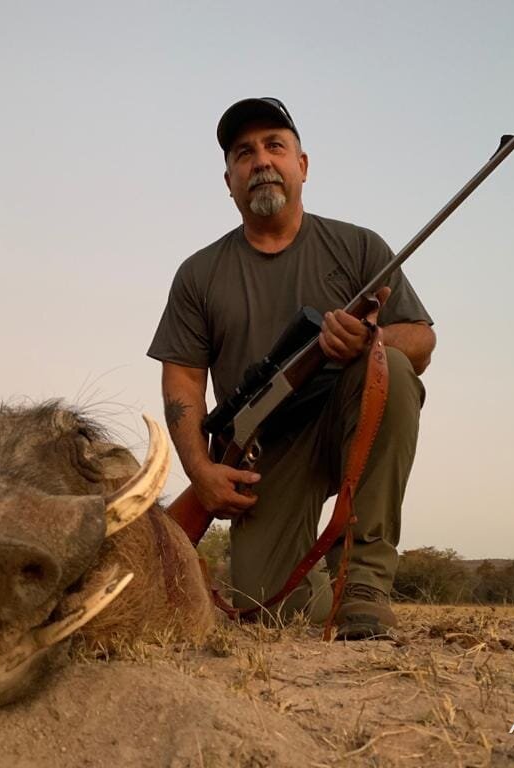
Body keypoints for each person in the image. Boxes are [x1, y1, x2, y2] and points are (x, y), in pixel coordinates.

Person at [147, 97, 436, 639]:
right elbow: (182, 376)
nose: (260, 160)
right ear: (228, 179)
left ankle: (364, 587)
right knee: (266, 608)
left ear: (302, 165)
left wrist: (369, 339)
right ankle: (317, 587)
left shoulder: (358, 246)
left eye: (275, 146)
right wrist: (201, 472)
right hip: (264, 454)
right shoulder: (198, 273)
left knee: (390, 368)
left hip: (349, 418)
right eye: (243, 153)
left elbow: (420, 341)